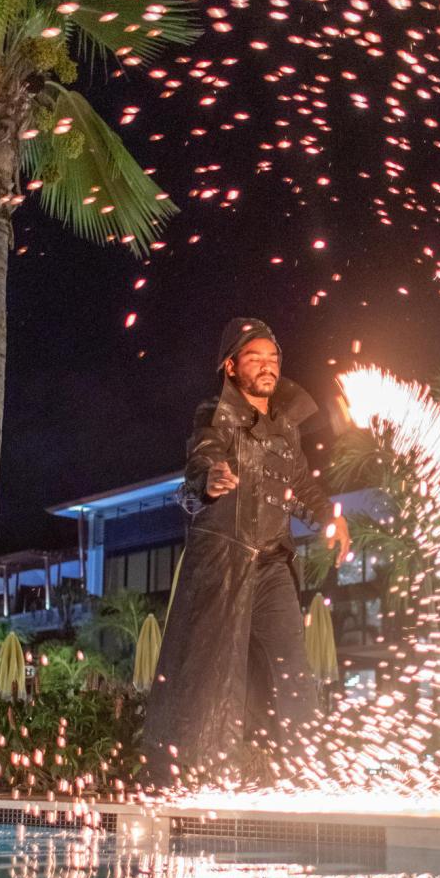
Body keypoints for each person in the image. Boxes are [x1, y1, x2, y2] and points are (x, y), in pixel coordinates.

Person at [140, 318, 351, 785]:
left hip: (272, 562)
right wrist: (210, 480)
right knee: (211, 675)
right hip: (224, 563)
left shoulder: (284, 427)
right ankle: (191, 776)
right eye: (254, 358)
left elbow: (299, 484)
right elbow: (199, 464)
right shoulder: (214, 415)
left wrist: (329, 518)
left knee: (292, 664)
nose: (267, 366)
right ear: (232, 367)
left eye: (273, 358)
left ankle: (306, 774)